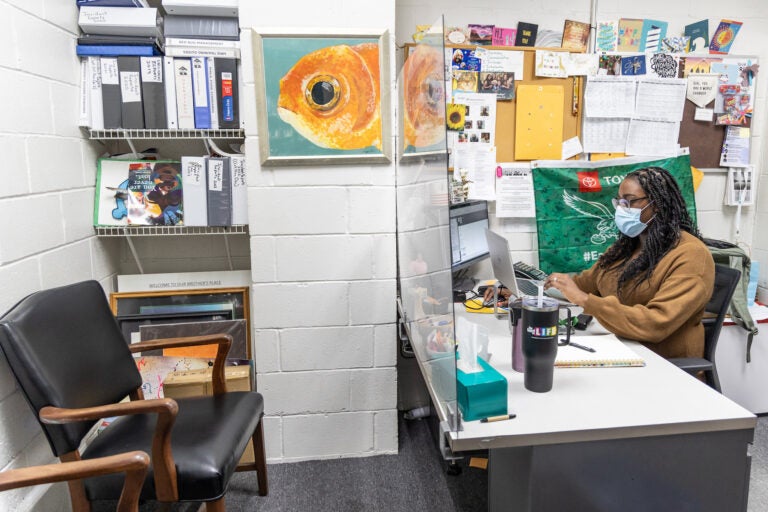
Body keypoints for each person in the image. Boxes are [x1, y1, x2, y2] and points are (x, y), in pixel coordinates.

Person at [485, 167, 715, 359]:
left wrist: (586, 301)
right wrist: (528, 294)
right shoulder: (629, 245)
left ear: (658, 204)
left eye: (631, 202)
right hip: (622, 346)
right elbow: (585, 283)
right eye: (620, 202)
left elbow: (654, 324)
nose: (622, 209)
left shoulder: (691, 256)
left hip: (662, 364)